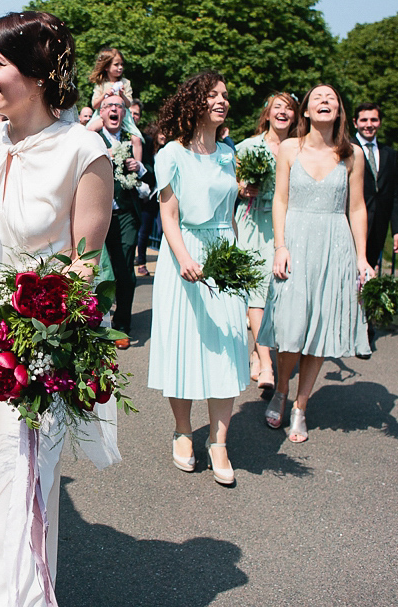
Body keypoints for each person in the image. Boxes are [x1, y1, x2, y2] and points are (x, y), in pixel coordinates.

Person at [0, 11, 115, 607]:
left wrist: (41, 326)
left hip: (34, 345)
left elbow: (85, 263)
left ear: (38, 74)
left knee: (21, 486)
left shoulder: (84, 152)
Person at [257, 84, 375, 443]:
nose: (325, 101)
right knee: (291, 329)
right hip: (296, 242)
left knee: (319, 333)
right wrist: (280, 246)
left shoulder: (352, 154)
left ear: (339, 112)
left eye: (332, 99)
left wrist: (362, 258)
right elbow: (280, 200)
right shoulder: (290, 148)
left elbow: (356, 208)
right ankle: (281, 389)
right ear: (305, 111)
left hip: (334, 245)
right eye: (317, 98)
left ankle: (300, 408)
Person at [147, 71, 248, 487]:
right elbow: (168, 216)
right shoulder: (171, 154)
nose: (222, 100)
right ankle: (184, 430)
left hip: (224, 252)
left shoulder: (228, 153)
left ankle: (220, 441)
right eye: (212, 95)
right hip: (184, 254)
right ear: (194, 103)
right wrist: (185, 258)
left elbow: (230, 212)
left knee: (226, 345)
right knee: (185, 346)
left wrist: (240, 262)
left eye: (224, 95)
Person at [233, 93, 298, 390]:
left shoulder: (301, 149)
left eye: (289, 109)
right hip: (253, 224)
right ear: (268, 114)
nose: (283, 112)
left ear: (296, 116)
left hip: (283, 228)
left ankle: (258, 355)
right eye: (278, 108)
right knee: (256, 294)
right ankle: (268, 366)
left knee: (276, 295)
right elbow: (230, 184)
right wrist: (243, 189)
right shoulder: (248, 147)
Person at [97, 93, 147, 348]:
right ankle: (99, 321)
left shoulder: (133, 139)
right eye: (109, 106)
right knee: (102, 270)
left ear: (125, 114)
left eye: (119, 106)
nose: (114, 110)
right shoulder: (93, 139)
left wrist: (138, 167)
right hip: (99, 212)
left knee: (125, 267)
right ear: (101, 113)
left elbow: (147, 175)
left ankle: (123, 325)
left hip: (126, 211)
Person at [354, 103, 398, 269]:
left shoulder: (389, 154)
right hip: (351, 225)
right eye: (364, 120)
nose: (369, 124)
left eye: (374, 120)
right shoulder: (346, 149)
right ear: (355, 123)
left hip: (378, 228)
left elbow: (394, 194)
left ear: (380, 122)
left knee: (367, 279)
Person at [85, 48, 143, 162]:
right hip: (102, 116)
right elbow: (95, 105)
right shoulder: (101, 84)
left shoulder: (126, 83)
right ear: (107, 67)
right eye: (116, 65)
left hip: (124, 117)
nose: (120, 67)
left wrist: (122, 94)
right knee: (90, 130)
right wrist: (104, 95)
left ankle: (137, 167)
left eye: (122, 64)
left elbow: (128, 104)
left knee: (137, 138)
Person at [131, 101, 160, 277]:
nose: (134, 117)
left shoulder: (145, 140)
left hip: (144, 195)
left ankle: (140, 261)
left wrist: (140, 168)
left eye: (137, 114)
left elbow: (150, 171)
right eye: (131, 113)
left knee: (144, 230)